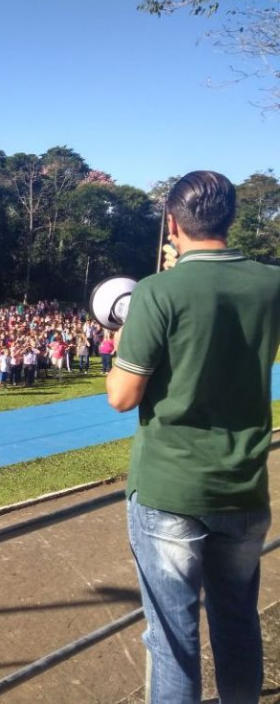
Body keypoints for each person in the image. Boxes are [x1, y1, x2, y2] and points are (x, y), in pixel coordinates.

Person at [106, 171, 280, 703]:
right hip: (244, 485)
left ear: (172, 224)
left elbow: (123, 395)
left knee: (173, 640)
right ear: (230, 217)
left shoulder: (159, 290)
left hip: (171, 489)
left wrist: (124, 337)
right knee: (237, 624)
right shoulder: (272, 283)